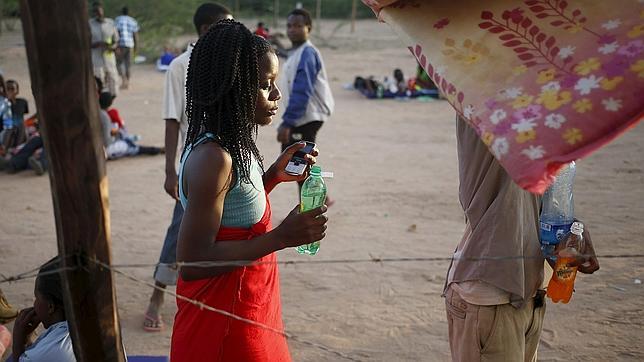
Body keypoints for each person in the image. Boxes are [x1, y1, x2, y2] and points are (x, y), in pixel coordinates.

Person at [170, 20, 328, 361]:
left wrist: (272, 174)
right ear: (233, 88)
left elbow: (234, 212)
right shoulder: (213, 158)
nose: (276, 95)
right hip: (226, 322)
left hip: (252, 304)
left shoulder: (232, 145)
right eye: (264, 85)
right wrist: (281, 237)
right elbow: (192, 261)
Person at [443, 116, 600, 361]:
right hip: (490, 298)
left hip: (532, 291)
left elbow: (542, 200)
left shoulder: (546, 116)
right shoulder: (487, 103)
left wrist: (571, 228)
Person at [142, 2, 233, 333]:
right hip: (193, 163)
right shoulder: (181, 66)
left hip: (227, 160)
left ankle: (212, 298)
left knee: (224, 228)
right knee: (179, 230)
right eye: (225, 27)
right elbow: (171, 118)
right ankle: (157, 295)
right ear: (207, 30)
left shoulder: (228, 63)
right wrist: (170, 170)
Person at [277, 8, 334, 203]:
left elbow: (302, 91)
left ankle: (314, 202)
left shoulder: (307, 53)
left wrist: (287, 122)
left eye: (298, 26)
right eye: (289, 26)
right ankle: (319, 198)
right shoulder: (297, 52)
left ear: (308, 28)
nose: (293, 30)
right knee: (297, 158)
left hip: (308, 115)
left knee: (297, 159)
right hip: (305, 115)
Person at [11, 257, 76, 361]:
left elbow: (38, 357)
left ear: (51, 307)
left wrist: (18, 342)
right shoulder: (86, 327)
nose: (34, 303)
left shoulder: (55, 347)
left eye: (36, 297)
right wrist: (27, 339)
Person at [99, 91, 163, 159]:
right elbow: (107, 140)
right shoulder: (104, 116)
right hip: (106, 147)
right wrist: (116, 133)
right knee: (129, 147)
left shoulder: (100, 112)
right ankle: (155, 150)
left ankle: (155, 150)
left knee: (128, 141)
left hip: (104, 144)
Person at [89, 1, 119, 96]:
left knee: (112, 78)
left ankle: (112, 97)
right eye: (95, 11)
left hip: (109, 56)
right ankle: (101, 100)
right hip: (96, 56)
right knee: (99, 78)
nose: (97, 13)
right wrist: (96, 44)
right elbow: (86, 42)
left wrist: (112, 47)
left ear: (102, 11)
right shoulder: (89, 24)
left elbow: (116, 40)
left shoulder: (110, 23)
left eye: (98, 11)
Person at [115, 6, 140, 90]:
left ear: (121, 12)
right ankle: (127, 83)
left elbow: (116, 33)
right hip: (130, 45)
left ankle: (123, 80)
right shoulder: (133, 21)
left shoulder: (118, 20)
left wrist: (116, 45)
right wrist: (136, 47)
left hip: (121, 44)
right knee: (128, 65)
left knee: (118, 63)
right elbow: (135, 35)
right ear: (129, 12)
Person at [2, 80, 29, 150]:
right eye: (8, 88)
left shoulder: (23, 102)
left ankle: (18, 148)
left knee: (22, 125)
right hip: (6, 128)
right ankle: (4, 149)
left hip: (20, 128)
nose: (10, 91)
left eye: (12, 89)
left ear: (17, 91)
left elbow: (23, 115)